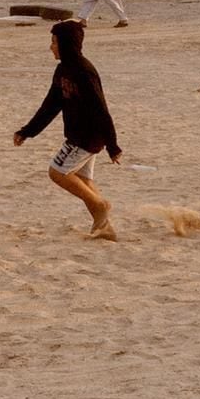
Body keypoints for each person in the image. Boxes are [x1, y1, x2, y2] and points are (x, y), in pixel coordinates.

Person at [14, 19, 122, 239]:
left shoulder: (84, 71)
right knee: (83, 179)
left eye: (54, 42)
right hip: (81, 135)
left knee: (57, 172)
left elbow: (101, 108)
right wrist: (28, 131)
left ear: (65, 44)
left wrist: (113, 145)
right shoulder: (62, 70)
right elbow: (50, 105)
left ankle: (100, 205)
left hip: (88, 135)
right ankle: (104, 226)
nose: (50, 47)